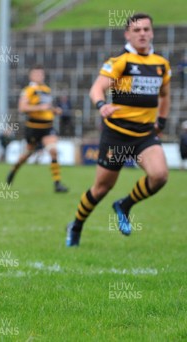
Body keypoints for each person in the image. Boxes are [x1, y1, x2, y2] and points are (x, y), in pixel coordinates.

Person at [65, 13, 171, 247]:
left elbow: (165, 96)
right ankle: (77, 224)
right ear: (128, 34)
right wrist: (101, 105)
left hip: (145, 134)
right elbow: (96, 88)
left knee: (160, 175)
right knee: (102, 188)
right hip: (117, 134)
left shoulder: (161, 65)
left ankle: (125, 205)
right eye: (137, 30)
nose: (142, 33)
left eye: (146, 29)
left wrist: (161, 122)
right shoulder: (120, 61)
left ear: (152, 32)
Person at [6, 65, 69, 193]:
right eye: (36, 74)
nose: (39, 76)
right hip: (33, 127)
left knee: (53, 151)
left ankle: (57, 184)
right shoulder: (28, 90)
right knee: (27, 155)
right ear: (31, 76)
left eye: (41, 74)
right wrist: (40, 108)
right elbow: (22, 108)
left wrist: (55, 110)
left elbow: (47, 107)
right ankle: (13, 170)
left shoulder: (46, 90)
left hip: (47, 127)